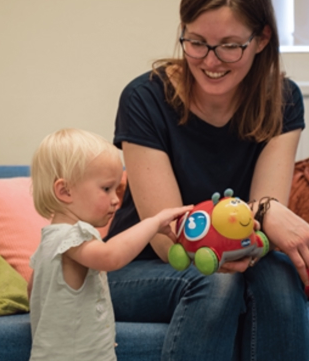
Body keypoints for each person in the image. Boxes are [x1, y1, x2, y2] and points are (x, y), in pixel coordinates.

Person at [106, 0, 309, 360]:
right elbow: (168, 236)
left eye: (230, 45)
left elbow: (266, 218)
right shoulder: (143, 99)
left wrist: (267, 216)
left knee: (279, 277)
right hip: (141, 265)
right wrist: (264, 214)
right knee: (214, 280)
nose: (210, 60)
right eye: (196, 42)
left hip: (235, 255)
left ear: (262, 38)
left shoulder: (283, 99)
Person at [28, 128, 192, 361]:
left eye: (117, 189)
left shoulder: (48, 241)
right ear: (64, 191)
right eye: (106, 189)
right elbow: (111, 257)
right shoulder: (74, 236)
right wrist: (152, 223)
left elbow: (33, 291)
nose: (116, 199)